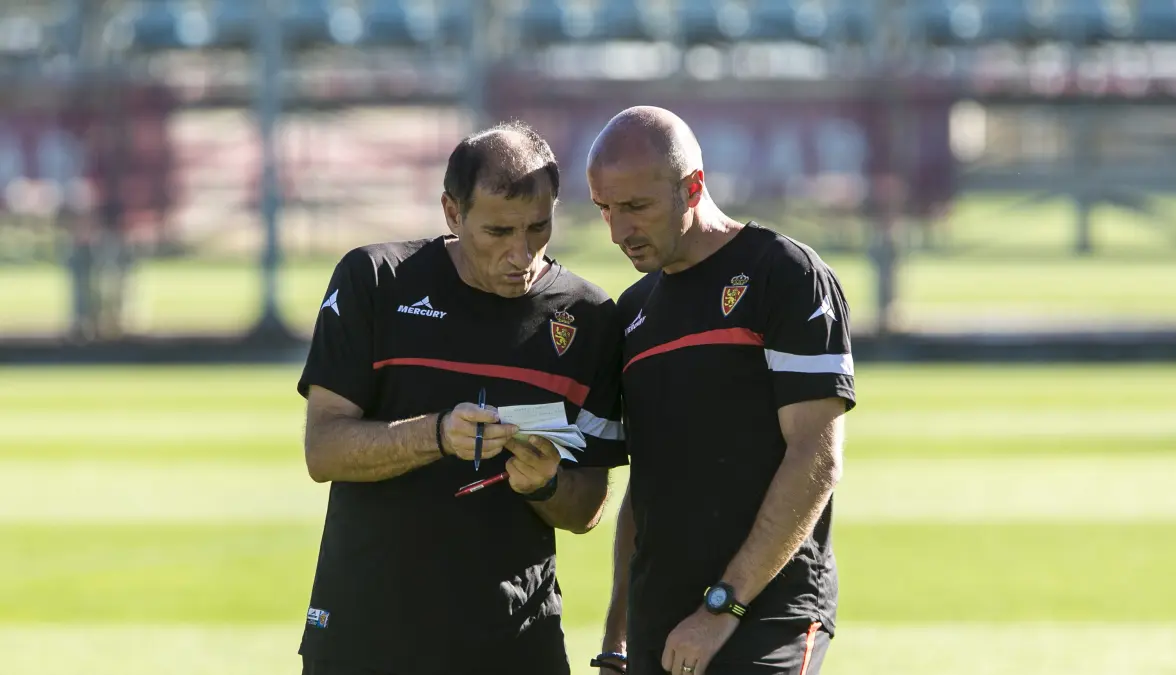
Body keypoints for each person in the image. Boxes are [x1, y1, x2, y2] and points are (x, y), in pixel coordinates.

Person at [296, 120, 627, 675]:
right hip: (365, 638)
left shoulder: (589, 317)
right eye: (498, 232)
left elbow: (587, 507)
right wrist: (437, 434)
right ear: (452, 213)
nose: (521, 254)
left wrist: (546, 485)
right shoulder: (375, 280)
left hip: (516, 645)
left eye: (538, 228)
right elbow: (322, 450)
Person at [586, 107, 855, 675]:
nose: (617, 231)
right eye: (604, 209)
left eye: (636, 207)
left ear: (693, 187)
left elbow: (816, 456)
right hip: (659, 623)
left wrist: (721, 607)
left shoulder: (785, 274)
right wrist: (617, 637)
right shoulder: (632, 312)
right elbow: (644, 485)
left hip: (766, 614)